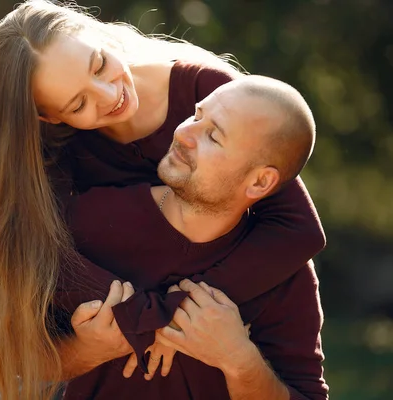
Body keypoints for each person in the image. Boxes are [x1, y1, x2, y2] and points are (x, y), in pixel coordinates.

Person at [0, 1, 325, 399]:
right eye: (78, 104)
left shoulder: (212, 95)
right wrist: (110, 337)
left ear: (98, 32)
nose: (109, 95)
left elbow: (299, 228)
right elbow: (41, 267)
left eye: (98, 64)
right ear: (49, 119)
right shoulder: (63, 175)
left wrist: (193, 321)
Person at [52, 75, 328, 399]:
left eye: (212, 136)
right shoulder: (89, 220)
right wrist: (84, 351)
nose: (183, 133)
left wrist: (239, 360)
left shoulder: (283, 274)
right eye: (196, 115)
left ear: (259, 183)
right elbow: (6, 359)